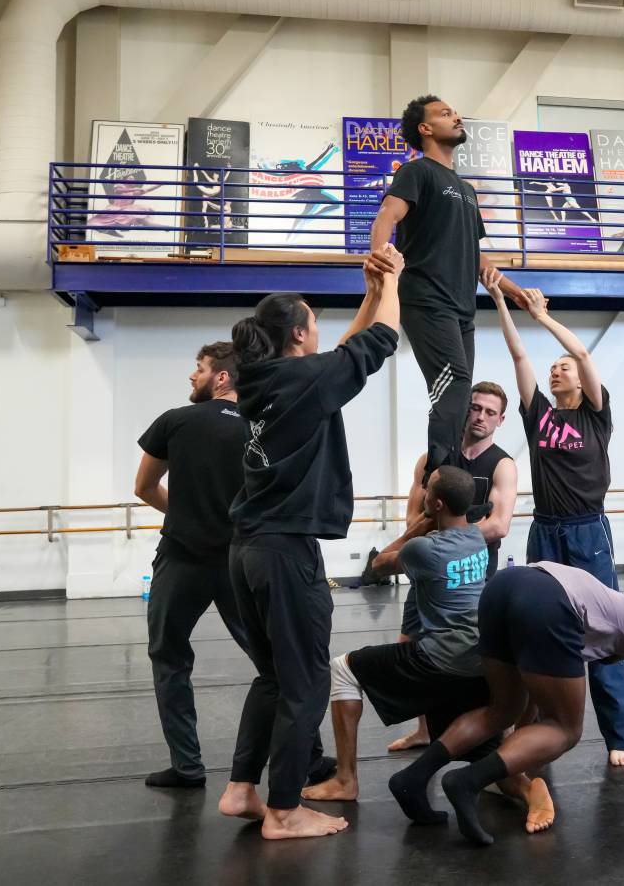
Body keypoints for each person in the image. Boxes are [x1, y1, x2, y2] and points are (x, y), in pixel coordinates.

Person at [216, 256, 401, 841]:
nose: (320, 328)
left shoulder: (269, 382)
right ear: (298, 332)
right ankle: (285, 809)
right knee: (304, 684)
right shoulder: (303, 381)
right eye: (314, 321)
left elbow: (340, 354)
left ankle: (241, 789)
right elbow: (380, 342)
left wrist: (369, 294)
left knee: (272, 677)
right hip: (283, 552)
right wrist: (392, 282)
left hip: (245, 548)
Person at [302, 466, 555, 831]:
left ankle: (345, 779)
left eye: (427, 489)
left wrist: (417, 527)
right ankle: (532, 790)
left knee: (342, 666)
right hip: (480, 663)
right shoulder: (476, 538)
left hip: (439, 660)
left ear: (434, 502)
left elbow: (377, 566)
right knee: (478, 756)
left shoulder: (424, 549)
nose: (421, 491)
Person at [387, 561, 624, 845]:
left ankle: (413, 778)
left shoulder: (595, 614)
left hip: (501, 587)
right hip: (544, 598)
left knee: (502, 709)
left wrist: (517, 754)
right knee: (566, 728)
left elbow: (533, 697)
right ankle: (466, 782)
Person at [482, 265, 624, 768]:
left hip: (588, 532)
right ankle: (531, 729)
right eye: (555, 369)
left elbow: (583, 353)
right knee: (537, 632)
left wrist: (543, 315)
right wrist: (501, 301)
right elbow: (518, 354)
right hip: (545, 532)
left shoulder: (596, 414)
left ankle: (621, 737)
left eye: (563, 368)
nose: (558, 370)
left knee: (607, 633)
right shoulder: (539, 416)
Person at [369, 95, 527, 484]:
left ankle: (451, 471)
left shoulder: (467, 191)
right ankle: (440, 476)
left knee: (459, 394)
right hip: (426, 300)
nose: (456, 116)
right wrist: (378, 257)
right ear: (425, 129)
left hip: (462, 309)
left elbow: (476, 259)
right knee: (454, 383)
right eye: (444, 114)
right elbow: (387, 214)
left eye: (454, 112)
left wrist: (514, 291)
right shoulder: (417, 172)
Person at [135, 341, 253, 789]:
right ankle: (312, 759)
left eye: (199, 368)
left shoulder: (176, 421)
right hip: (238, 560)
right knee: (271, 659)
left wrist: (185, 514)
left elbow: (144, 487)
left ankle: (187, 767)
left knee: (169, 658)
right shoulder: (260, 427)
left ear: (221, 377)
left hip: (182, 558)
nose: (192, 375)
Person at [377, 382, 519, 752]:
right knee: (410, 642)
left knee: (481, 651)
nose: (481, 417)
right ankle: (424, 729)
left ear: (501, 420)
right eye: (476, 408)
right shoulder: (433, 458)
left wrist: (451, 542)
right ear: (464, 409)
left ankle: (493, 730)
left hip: (473, 573)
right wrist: (436, 542)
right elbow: (414, 517)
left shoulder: (502, 465)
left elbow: (499, 524)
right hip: (429, 572)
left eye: (490, 412)